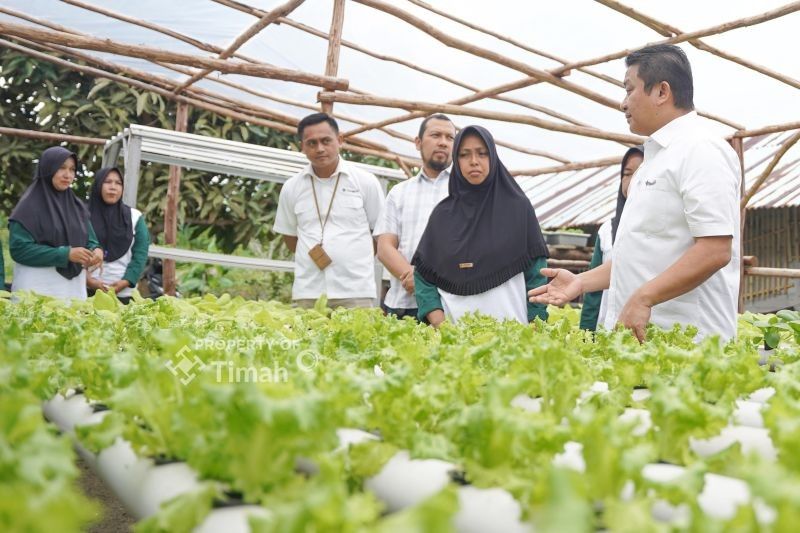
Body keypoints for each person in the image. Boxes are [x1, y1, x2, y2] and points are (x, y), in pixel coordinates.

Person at [531, 44, 740, 342]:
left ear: (661, 92)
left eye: (629, 89)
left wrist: (644, 297)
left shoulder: (700, 149)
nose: (623, 103)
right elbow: (641, 254)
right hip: (646, 343)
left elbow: (715, 250)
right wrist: (580, 282)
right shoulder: (652, 161)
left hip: (689, 344)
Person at [412, 125, 549, 327]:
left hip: (511, 338)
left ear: (493, 158)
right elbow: (423, 277)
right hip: (453, 343)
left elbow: (537, 274)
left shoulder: (517, 208)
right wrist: (440, 324)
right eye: (464, 155)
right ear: (456, 161)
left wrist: (535, 325)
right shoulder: (442, 215)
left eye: (482, 154)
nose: (474, 161)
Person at [274, 113, 385, 309]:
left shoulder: (365, 182)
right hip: (308, 291)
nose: (320, 149)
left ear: (340, 140)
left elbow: (380, 234)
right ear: (302, 147)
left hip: (355, 290)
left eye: (326, 141)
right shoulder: (292, 187)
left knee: (357, 339)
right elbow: (290, 237)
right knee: (308, 339)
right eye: (312, 143)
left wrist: (351, 258)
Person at [374, 114, 456, 320]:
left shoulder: (467, 192)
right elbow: (384, 248)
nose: (443, 142)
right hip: (403, 304)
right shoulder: (399, 192)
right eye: (436, 135)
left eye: (450, 138)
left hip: (450, 305)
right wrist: (417, 281)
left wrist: (423, 281)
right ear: (418, 142)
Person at [9, 146, 103, 300]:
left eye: (72, 169)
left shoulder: (76, 206)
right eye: (61, 168)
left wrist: (96, 250)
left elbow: (90, 239)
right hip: (36, 288)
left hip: (72, 289)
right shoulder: (28, 207)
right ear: (47, 169)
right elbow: (19, 249)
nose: (68, 175)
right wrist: (65, 254)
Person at [579, 146, 643, 331]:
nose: (630, 181)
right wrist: (586, 334)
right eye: (627, 173)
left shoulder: (664, 229)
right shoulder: (607, 230)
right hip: (607, 332)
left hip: (646, 331)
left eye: (640, 173)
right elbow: (593, 294)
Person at [86, 167, 150, 304]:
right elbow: (73, 248)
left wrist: (126, 281)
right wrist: (88, 280)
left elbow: (140, 254)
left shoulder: (135, 217)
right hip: (85, 291)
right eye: (107, 182)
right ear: (98, 185)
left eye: (118, 183)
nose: (113, 187)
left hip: (123, 294)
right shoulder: (82, 215)